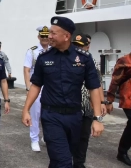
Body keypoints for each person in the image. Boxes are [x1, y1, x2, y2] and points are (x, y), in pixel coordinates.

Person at [22, 16, 104, 167]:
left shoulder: (84, 58)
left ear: (66, 36)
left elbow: (94, 87)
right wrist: (26, 109)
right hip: (51, 116)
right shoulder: (43, 58)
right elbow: (36, 85)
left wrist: (97, 118)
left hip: (74, 116)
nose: (49, 36)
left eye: (53, 33)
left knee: (59, 159)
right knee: (64, 161)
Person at [72, 34, 107, 168]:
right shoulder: (66, 60)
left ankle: (79, 163)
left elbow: (97, 84)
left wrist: (102, 103)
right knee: (69, 138)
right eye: (76, 45)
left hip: (86, 107)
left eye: (82, 46)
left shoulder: (91, 61)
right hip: (70, 106)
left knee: (83, 138)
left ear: (88, 46)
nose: (78, 48)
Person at [23, 25, 50, 152]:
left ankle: (46, 136)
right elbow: (27, 70)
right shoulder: (32, 51)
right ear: (38, 37)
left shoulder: (54, 50)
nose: (45, 38)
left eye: (47, 36)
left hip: (50, 86)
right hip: (36, 86)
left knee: (49, 113)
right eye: (42, 36)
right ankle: (34, 139)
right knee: (35, 113)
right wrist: (28, 87)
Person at [106, 52, 131, 166]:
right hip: (128, 98)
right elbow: (115, 80)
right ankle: (122, 152)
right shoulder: (124, 60)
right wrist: (109, 100)